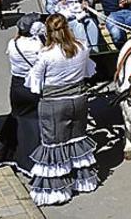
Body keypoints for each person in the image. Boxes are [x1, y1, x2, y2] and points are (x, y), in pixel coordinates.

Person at [25, 14, 98, 206]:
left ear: (48, 32)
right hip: (79, 99)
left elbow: (34, 84)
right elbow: (90, 71)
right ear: (68, 28)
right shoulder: (82, 47)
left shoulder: (46, 54)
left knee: (54, 144)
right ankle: (82, 180)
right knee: (76, 138)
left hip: (54, 104)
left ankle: (56, 191)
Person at [0, 14, 44, 176]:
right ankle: (29, 160)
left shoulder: (13, 43)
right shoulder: (38, 46)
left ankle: (2, 154)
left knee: (17, 116)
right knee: (33, 122)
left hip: (17, 86)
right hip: (33, 86)